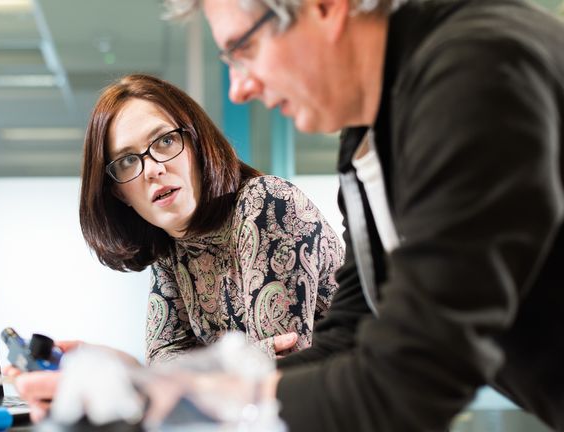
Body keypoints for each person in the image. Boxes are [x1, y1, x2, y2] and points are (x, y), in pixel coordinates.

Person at [162, 0, 564, 429]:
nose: (238, 88)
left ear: (325, 7)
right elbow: (351, 334)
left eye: (244, 48)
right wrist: (169, 391)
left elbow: (411, 378)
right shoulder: (370, 131)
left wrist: (229, 399)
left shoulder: (474, 73)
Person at [6, 73, 344, 421]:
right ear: (119, 192)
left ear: (197, 144)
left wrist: (153, 379)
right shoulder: (171, 244)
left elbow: (273, 372)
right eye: (127, 161)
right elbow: (164, 359)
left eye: (165, 141)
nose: (152, 169)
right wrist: (115, 368)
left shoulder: (265, 202)